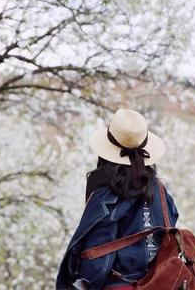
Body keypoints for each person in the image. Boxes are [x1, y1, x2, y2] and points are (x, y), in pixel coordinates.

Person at [56, 108, 179, 290]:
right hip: (160, 282)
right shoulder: (159, 189)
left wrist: (82, 283)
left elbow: (99, 253)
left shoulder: (104, 190)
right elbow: (171, 223)